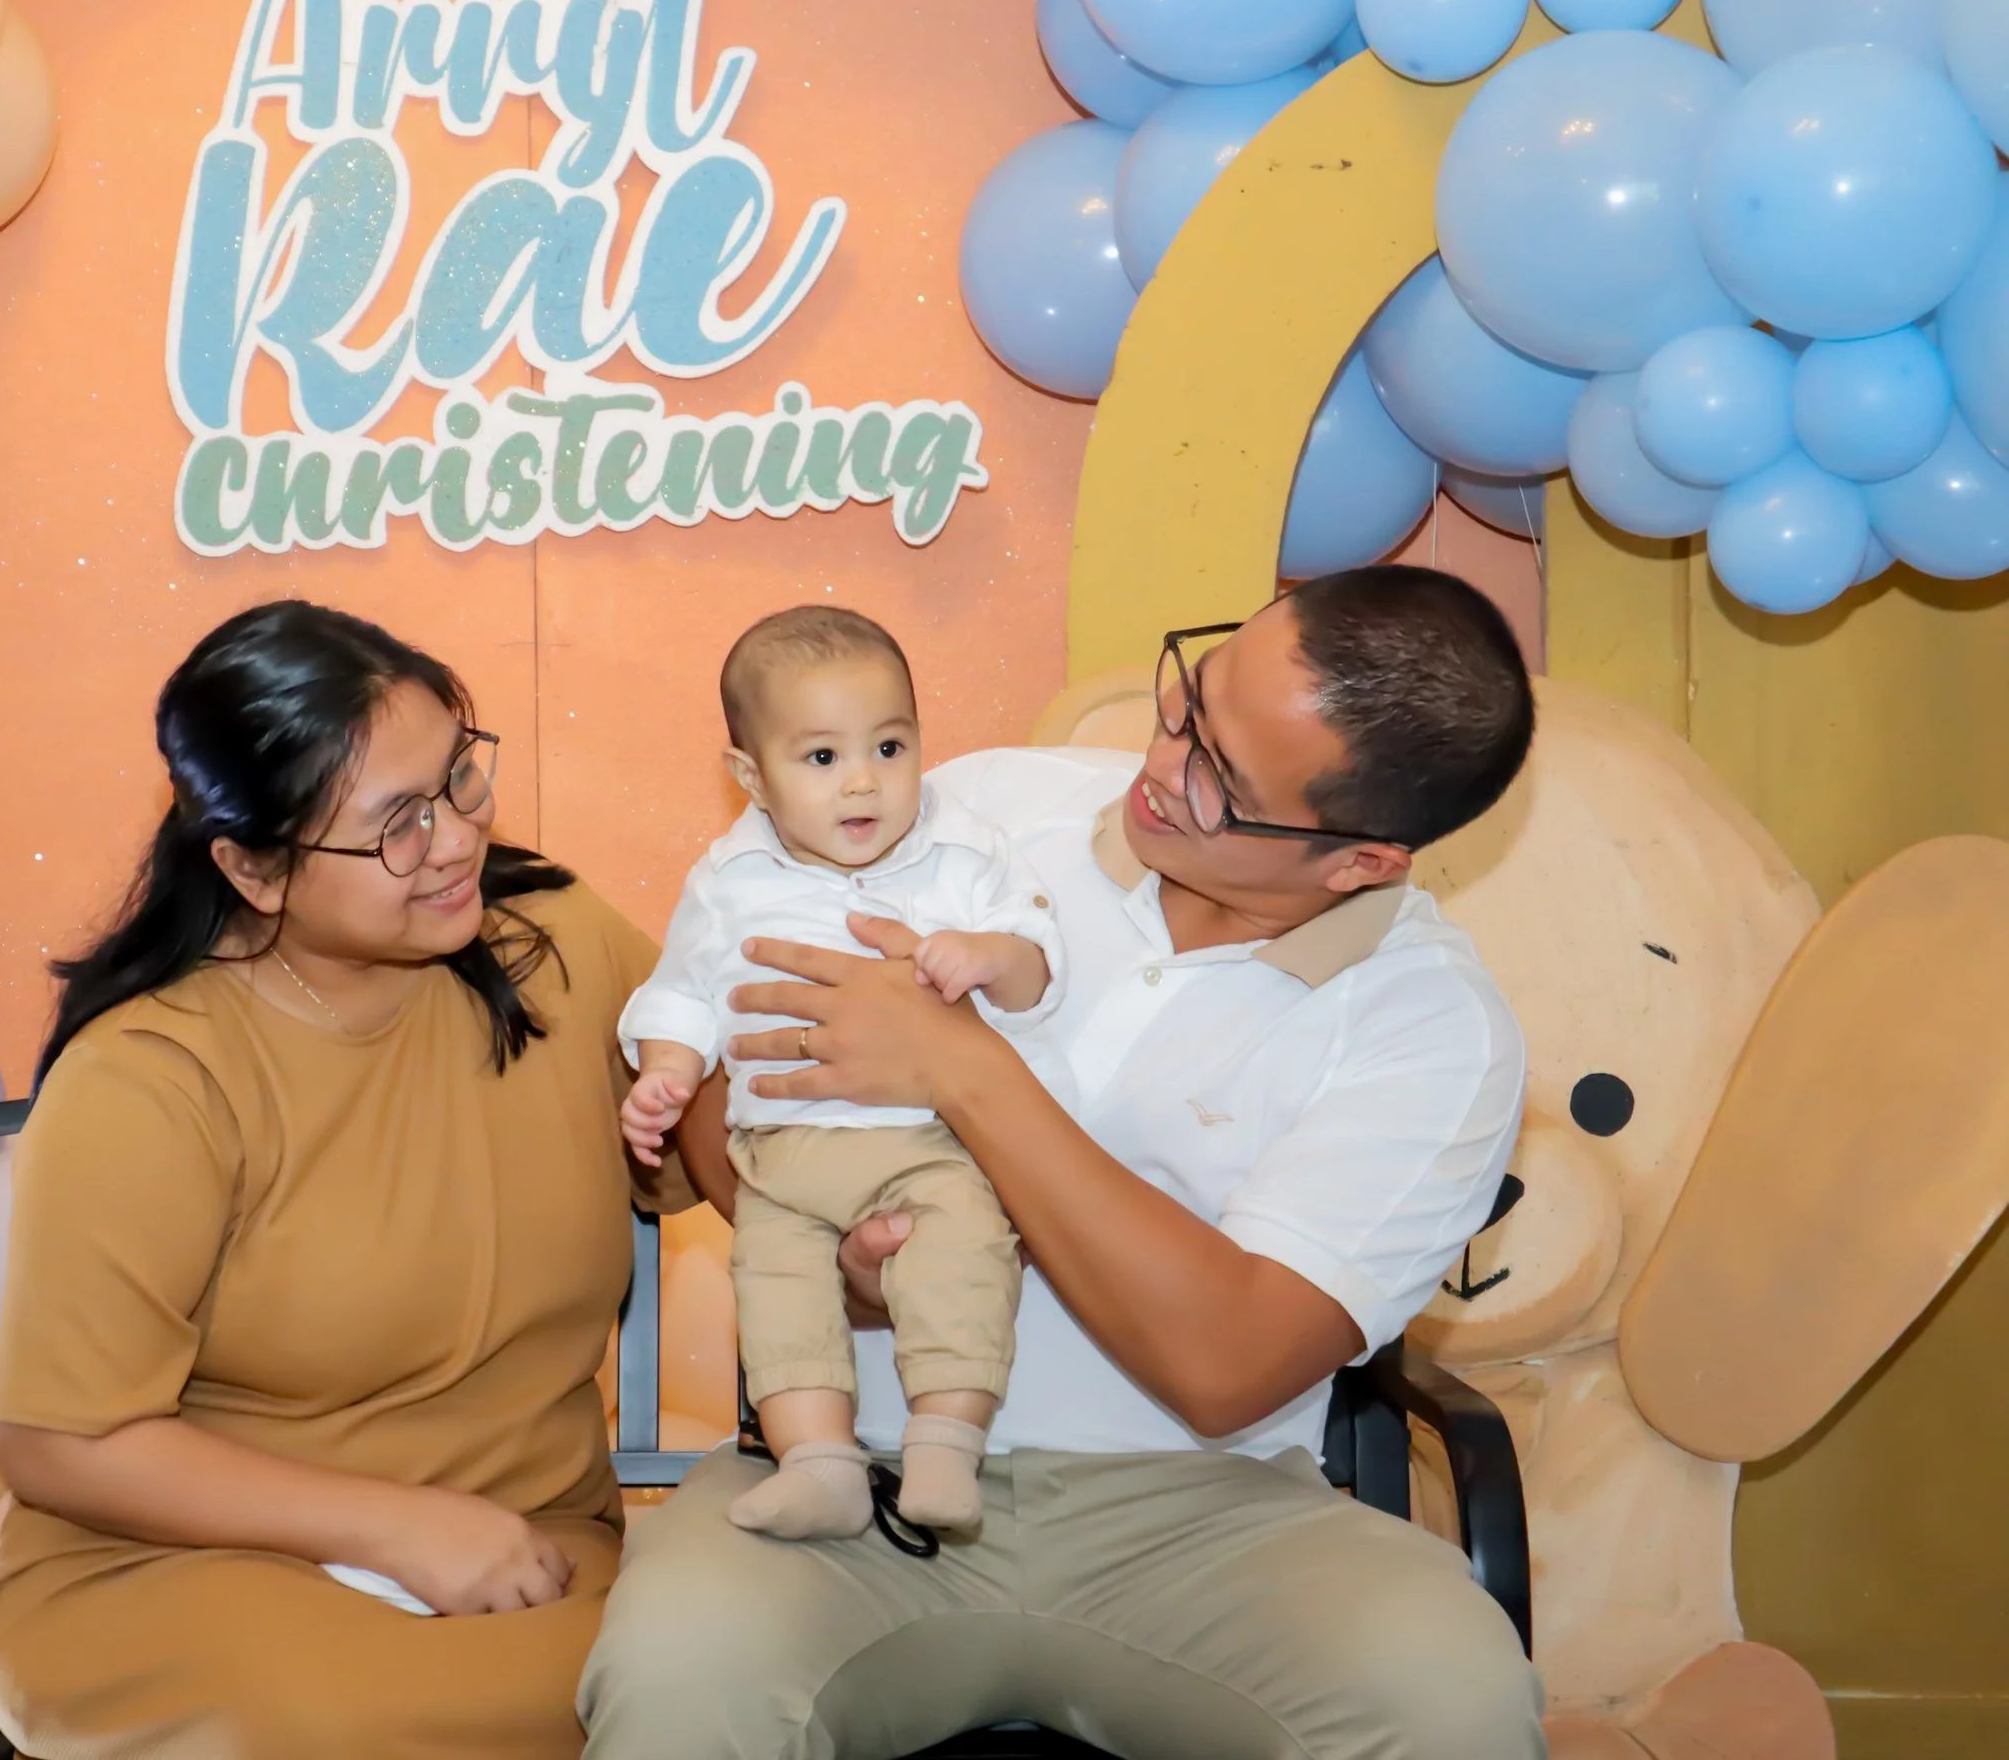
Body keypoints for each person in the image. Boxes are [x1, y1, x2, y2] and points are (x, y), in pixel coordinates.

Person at [580, 566, 1548, 1760]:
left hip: (1205, 1519)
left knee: (1447, 1699)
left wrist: (968, 1072)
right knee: (680, 1674)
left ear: (1359, 862)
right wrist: (837, 1253)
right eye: (1188, 699)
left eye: (1220, 780)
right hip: (854, 1484)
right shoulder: (982, 813)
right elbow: (738, 1049)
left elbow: (1227, 1362)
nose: (1159, 760)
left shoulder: (1434, 1030)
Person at [0, 600, 692, 1759]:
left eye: (458, 779)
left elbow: (731, 1148)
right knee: (314, 1729)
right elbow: (65, 1444)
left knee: (696, 1689)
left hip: (524, 1556)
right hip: (193, 1571)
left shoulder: (558, 946)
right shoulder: (152, 1074)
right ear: (254, 870)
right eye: (395, 823)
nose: (453, 839)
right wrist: (399, 1529)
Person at [618, 607, 1064, 1541]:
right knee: (776, 1285)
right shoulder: (727, 876)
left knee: (963, 1255)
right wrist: (665, 1070)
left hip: (931, 1142)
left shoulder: (964, 849)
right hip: (778, 1157)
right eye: (821, 758)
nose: (863, 779)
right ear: (750, 776)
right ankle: (818, 1462)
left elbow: (1038, 959)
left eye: (890, 745)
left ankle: (947, 1444)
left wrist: (986, 954)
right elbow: (685, 992)